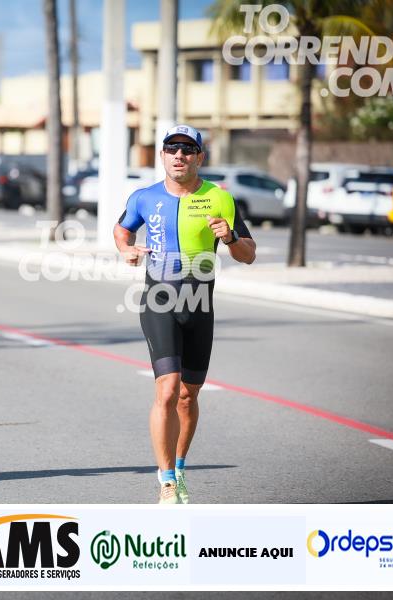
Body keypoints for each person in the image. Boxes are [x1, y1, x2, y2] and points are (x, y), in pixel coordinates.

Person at [113, 125, 256, 504]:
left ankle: (178, 468)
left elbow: (248, 254)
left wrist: (229, 237)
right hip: (159, 300)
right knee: (167, 390)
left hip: (200, 304)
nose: (180, 155)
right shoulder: (144, 198)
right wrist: (126, 250)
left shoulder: (219, 198)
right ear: (162, 155)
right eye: (172, 148)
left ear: (199, 157)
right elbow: (122, 230)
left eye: (188, 149)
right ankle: (166, 482)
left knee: (188, 397)